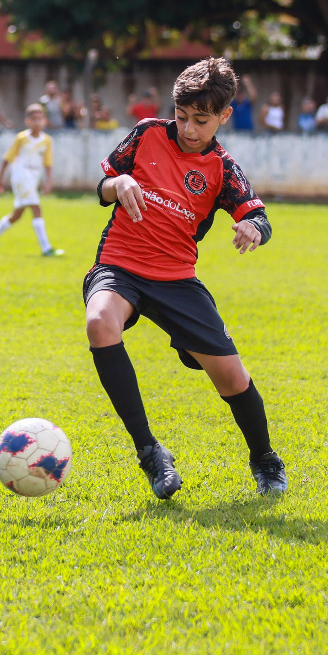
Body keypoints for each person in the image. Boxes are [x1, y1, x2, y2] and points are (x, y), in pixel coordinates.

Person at [83, 58, 284, 500]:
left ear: (224, 116)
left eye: (201, 120)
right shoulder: (147, 133)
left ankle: (265, 459)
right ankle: (150, 452)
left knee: (232, 379)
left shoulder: (223, 167)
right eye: (182, 116)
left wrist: (254, 228)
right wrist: (119, 184)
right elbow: (103, 186)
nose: (189, 129)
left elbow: (258, 215)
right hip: (120, 264)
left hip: (176, 278)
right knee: (99, 322)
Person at [0, 103, 62, 257]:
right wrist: (0, 180)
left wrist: (48, 182)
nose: (37, 122)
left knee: (17, 215)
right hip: (21, 176)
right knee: (36, 208)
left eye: (40, 119)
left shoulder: (46, 140)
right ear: (28, 121)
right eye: (34, 119)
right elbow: (7, 158)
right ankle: (46, 248)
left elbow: (48, 163)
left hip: (33, 177)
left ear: (45, 121)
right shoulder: (21, 138)